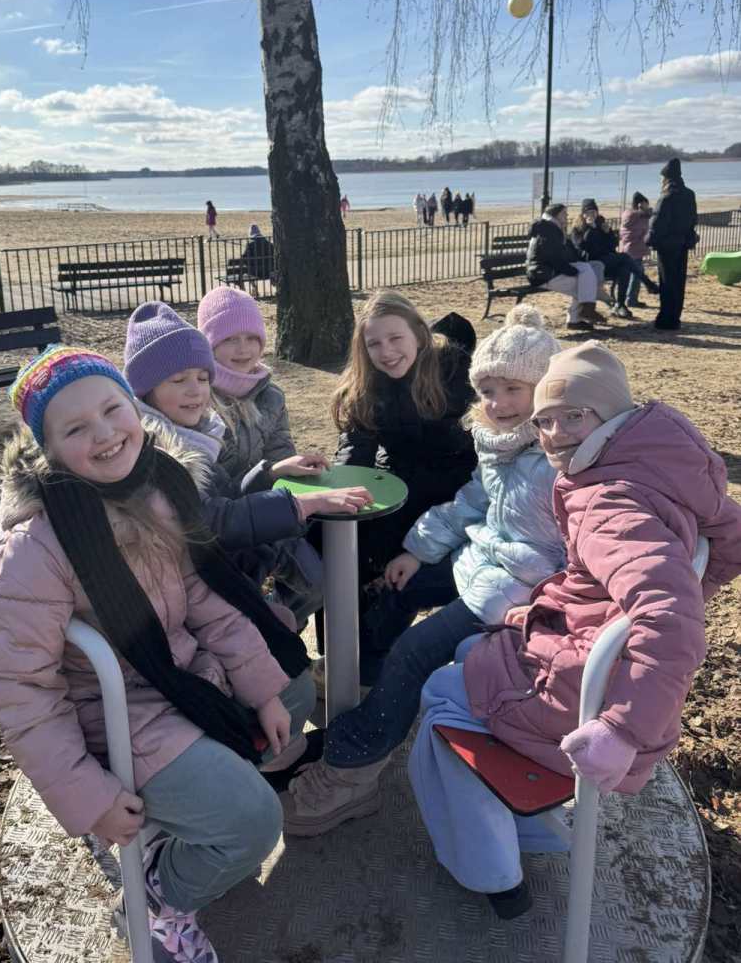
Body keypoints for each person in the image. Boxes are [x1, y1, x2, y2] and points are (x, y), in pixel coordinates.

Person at [0, 345, 319, 961]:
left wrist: (263, 688)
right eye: (76, 428)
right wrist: (92, 800)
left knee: (292, 691)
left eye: (113, 409)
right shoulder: (34, 547)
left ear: (134, 408)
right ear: (47, 449)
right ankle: (158, 893)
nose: (105, 433)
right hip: (114, 713)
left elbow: (202, 594)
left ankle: (190, 822)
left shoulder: (155, 488)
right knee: (252, 821)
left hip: (179, 676)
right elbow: (22, 692)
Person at [408, 341, 741, 920]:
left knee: (440, 695)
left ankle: (493, 870)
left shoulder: (608, 502)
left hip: (589, 693)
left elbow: (667, 616)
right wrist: (683, 586)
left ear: (609, 414)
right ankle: (528, 824)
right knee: (469, 648)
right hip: (588, 649)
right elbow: (729, 539)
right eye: (544, 420)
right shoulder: (664, 460)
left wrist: (621, 727)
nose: (556, 434)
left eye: (573, 416)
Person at [281, 306, 566, 837]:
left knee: (415, 652)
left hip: (520, 588)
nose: (498, 403)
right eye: (489, 391)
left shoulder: (563, 460)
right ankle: (366, 673)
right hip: (480, 558)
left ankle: (352, 771)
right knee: (397, 583)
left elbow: (582, 543)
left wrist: (560, 599)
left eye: (513, 390)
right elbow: (472, 502)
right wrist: (415, 551)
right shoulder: (502, 444)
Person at [124, 301, 371, 626]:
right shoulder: (160, 451)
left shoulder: (196, 434)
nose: (195, 391)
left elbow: (227, 494)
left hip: (232, 554)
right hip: (197, 587)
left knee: (315, 581)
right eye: (179, 380)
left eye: (202, 378)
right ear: (147, 390)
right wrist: (301, 505)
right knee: (298, 597)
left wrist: (270, 472)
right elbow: (213, 519)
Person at [328, 291, 478, 680]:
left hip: (454, 492)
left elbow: (483, 436)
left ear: (419, 334)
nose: (387, 352)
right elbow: (355, 451)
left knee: (402, 575)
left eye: (395, 338)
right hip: (399, 486)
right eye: (374, 343)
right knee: (343, 540)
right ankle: (341, 655)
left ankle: (373, 658)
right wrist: (339, 496)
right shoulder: (366, 386)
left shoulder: (453, 370)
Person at [198, 285, 328, 626]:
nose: (243, 349)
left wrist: (295, 469)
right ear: (209, 344)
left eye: (251, 338)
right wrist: (271, 472)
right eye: (230, 339)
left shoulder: (271, 397)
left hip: (270, 510)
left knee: (317, 584)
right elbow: (215, 490)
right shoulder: (199, 401)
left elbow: (281, 451)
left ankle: (281, 629)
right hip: (225, 527)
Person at [526, 202, 606, 331]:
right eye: (564, 213)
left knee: (585, 273)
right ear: (556, 215)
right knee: (584, 283)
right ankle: (579, 317)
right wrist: (571, 270)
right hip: (542, 275)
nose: (567, 215)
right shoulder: (549, 231)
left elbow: (565, 253)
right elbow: (553, 257)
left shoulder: (553, 228)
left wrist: (575, 265)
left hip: (546, 271)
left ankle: (586, 311)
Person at [647, 158, 698, 331]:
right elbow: (693, 219)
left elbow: (658, 223)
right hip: (683, 243)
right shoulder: (689, 194)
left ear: (666, 178)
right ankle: (675, 317)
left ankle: (666, 318)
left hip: (667, 245)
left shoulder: (667, 197)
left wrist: (650, 240)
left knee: (667, 281)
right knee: (678, 281)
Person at [571, 200, 635, 319]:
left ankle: (620, 304)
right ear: (583, 214)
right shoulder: (577, 229)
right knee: (625, 259)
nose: (592, 215)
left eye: (594, 212)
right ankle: (614, 303)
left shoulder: (601, 225)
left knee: (624, 269)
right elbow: (582, 246)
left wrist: (608, 233)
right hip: (590, 266)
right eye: (588, 212)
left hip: (606, 263)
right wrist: (590, 228)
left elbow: (613, 245)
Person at [619, 192, 659, 308]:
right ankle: (631, 299)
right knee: (637, 275)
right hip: (634, 249)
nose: (648, 206)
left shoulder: (628, 215)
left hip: (628, 248)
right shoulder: (637, 216)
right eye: (646, 204)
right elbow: (648, 219)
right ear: (640, 204)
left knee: (634, 274)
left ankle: (631, 298)